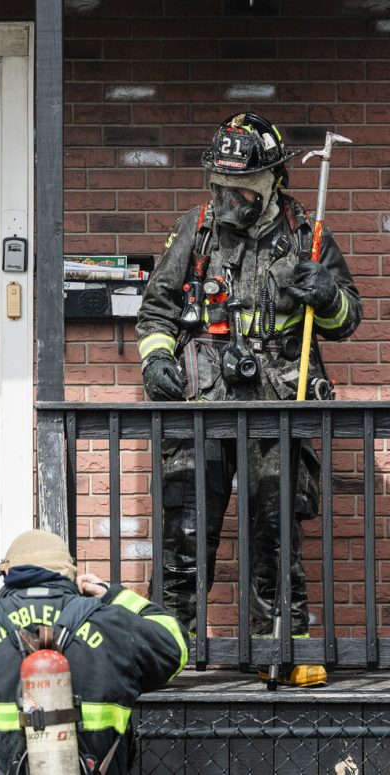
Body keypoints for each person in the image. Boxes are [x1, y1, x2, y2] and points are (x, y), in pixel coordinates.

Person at [136, 112, 362, 686]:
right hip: (202, 399)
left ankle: (281, 651)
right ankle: (167, 654)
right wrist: (158, 359)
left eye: (242, 187)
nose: (229, 197)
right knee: (185, 533)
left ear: (273, 181)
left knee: (276, 531)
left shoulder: (306, 235)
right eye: (221, 185)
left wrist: (327, 294)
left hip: (279, 399)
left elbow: (347, 319)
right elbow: (156, 310)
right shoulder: (196, 228)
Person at [0, 529, 188, 774]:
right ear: (70, 576)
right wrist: (112, 594)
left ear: (7, 573)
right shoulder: (113, 625)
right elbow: (175, 644)